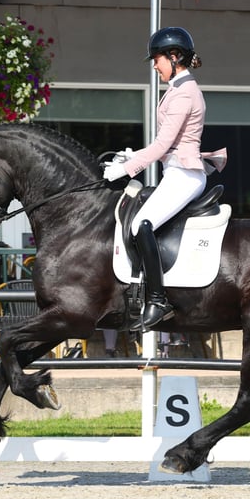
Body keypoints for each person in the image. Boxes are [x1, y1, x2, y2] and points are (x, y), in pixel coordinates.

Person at [103, 26, 226, 332]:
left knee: (140, 225)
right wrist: (130, 155)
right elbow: (163, 146)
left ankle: (157, 301)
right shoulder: (176, 89)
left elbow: (162, 145)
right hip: (175, 171)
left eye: (157, 59)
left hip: (185, 175)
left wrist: (127, 168)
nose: (154, 65)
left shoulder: (185, 92)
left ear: (174, 56)